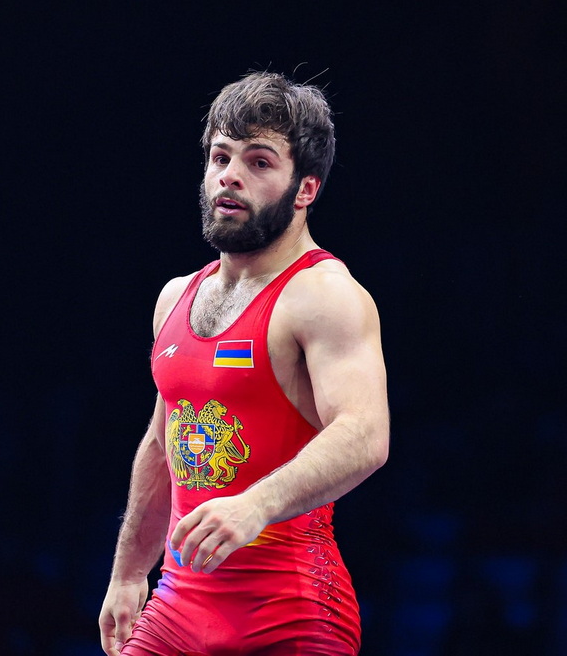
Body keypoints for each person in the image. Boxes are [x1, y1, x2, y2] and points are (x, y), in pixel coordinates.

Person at [98, 71, 390, 656]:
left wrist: (257, 503)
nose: (230, 175)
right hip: (179, 605)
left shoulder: (325, 295)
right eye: (220, 157)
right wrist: (128, 572)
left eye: (259, 162)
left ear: (305, 189)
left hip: (290, 611)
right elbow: (163, 442)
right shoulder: (175, 297)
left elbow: (365, 435)